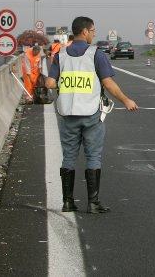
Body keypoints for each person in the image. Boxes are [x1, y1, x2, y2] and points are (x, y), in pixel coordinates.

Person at [45, 16, 139, 214]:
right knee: (93, 156)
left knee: (69, 157)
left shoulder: (61, 55)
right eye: (93, 30)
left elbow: (50, 84)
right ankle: (93, 203)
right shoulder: (96, 54)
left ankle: (68, 202)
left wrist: (65, 85)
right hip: (91, 115)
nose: (95, 33)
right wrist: (126, 100)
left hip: (68, 114)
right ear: (85, 31)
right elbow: (108, 84)